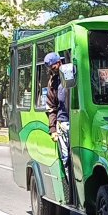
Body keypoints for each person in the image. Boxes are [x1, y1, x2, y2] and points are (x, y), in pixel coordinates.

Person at [44, 52, 72, 202]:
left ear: (59, 63)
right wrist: (53, 129)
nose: (52, 69)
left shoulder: (71, 74)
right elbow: (51, 107)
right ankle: (71, 191)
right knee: (66, 158)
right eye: (50, 68)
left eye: (53, 66)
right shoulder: (53, 82)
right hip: (63, 123)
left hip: (76, 121)